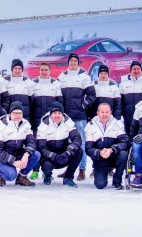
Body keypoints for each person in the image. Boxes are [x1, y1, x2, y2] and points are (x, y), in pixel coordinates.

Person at [57, 52, 95, 181]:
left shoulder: (84, 76)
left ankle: (82, 170)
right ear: (68, 63)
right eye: (71, 61)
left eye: (75, 61)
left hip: (80, 117)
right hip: (66, 118)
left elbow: (91, 95)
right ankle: (69, 170)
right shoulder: (62, 76)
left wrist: (83, 105)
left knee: (82, 144)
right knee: (68, 144)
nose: (73, 63)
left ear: (78, 63)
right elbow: (58, 95)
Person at [0, 101, 41, 187]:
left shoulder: (26, 124)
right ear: (10, 113)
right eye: (15, 113)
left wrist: (26, 155)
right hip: (2, 158)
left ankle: (21, 178)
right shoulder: (1, 126)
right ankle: (1, 175)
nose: (18, 115)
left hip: (18, 154)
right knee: (11, 175)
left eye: (20, 113)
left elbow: (31, 142)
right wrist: (13, 161)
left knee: (36, 155)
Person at [29, 62, 63, 180]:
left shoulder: (55, 84)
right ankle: (35, 170)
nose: (44, 72)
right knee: (35, 147)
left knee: (47, 147)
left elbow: (60, 103)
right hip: (36, 122)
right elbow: (30, 104)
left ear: (50, 71)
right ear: (39, 71)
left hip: (50, 123)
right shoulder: (33, 84)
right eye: (42, 70)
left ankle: (46, 171)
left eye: (46, 70)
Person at [36, 102, 83, 188]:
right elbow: (41, 147)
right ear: (50, 115)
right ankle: (47, 175)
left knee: (79, 151)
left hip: (64, 155)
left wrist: (68, 152)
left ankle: (68, 177)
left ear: (62, 114)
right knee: (46, 165)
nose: (57, 116)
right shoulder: (43, 125)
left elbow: (77, 139)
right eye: (54, 113)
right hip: (50, 157)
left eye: (59, 113)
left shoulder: (68, 122)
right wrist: (53, 156)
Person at [85, 103, 129, 190]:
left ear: (111, 113)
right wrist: (99, 152)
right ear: (97, 113)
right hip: (100, 159)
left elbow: (125, 142)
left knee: (123, 154)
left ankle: (117, 181)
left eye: (107, 112)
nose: (104, 114)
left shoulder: (117, 124)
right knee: (100, 185)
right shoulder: (90, 126)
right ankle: (101, 174)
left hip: (114, 156)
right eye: (102, 112)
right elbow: (88, 149)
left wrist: (111, 150)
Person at [119, 60, 142, 136]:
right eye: (134, 69)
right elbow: (120, 102)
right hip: (129, 116)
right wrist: (122, 113)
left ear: (141, 70)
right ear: (130, 71)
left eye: (138, 69)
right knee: (130, 135)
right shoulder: (124, 84)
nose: (136, 71)